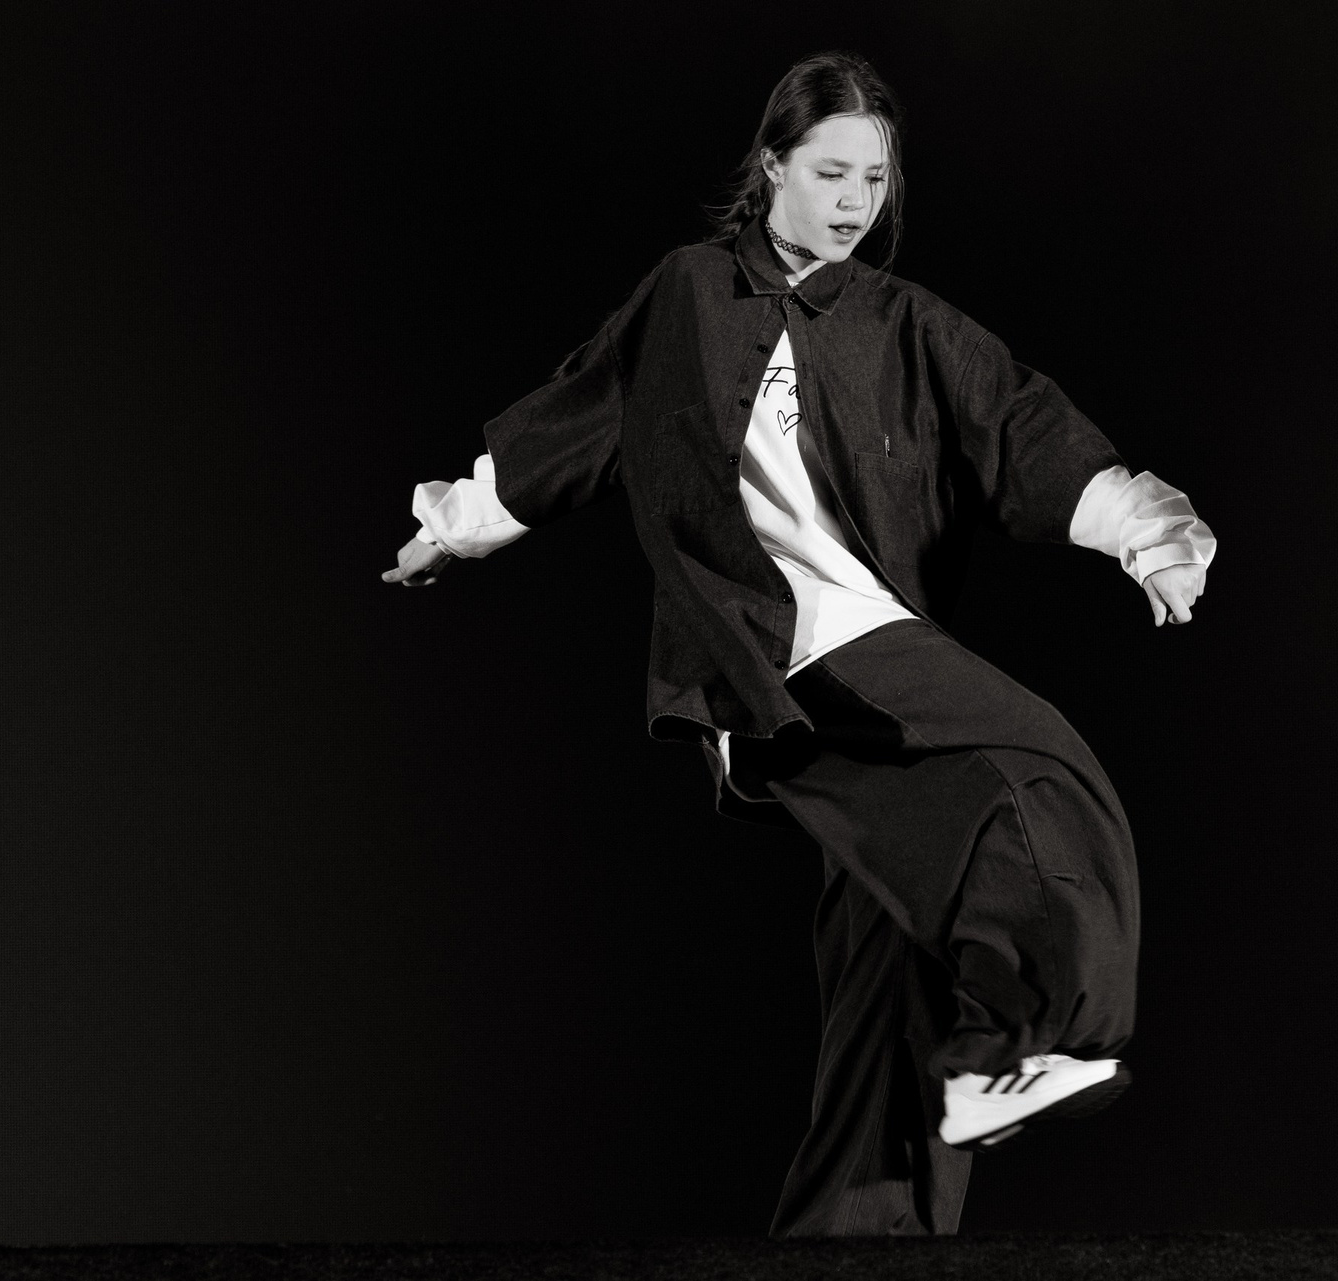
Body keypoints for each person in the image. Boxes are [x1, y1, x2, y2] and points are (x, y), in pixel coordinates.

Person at [379, 51, 1215, 1239]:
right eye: (831, 173)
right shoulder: (686, 294)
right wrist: (451, 529)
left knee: (889, 955)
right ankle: (1025, 1041)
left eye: (875, 179)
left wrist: (1148, 536)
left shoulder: (901, 321)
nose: (855, 201)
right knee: (1039, 766)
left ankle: (851, 1236)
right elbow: (577, 418)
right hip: (774, 658)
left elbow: (1016, 422)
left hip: (868, 635)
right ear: (771, 166)